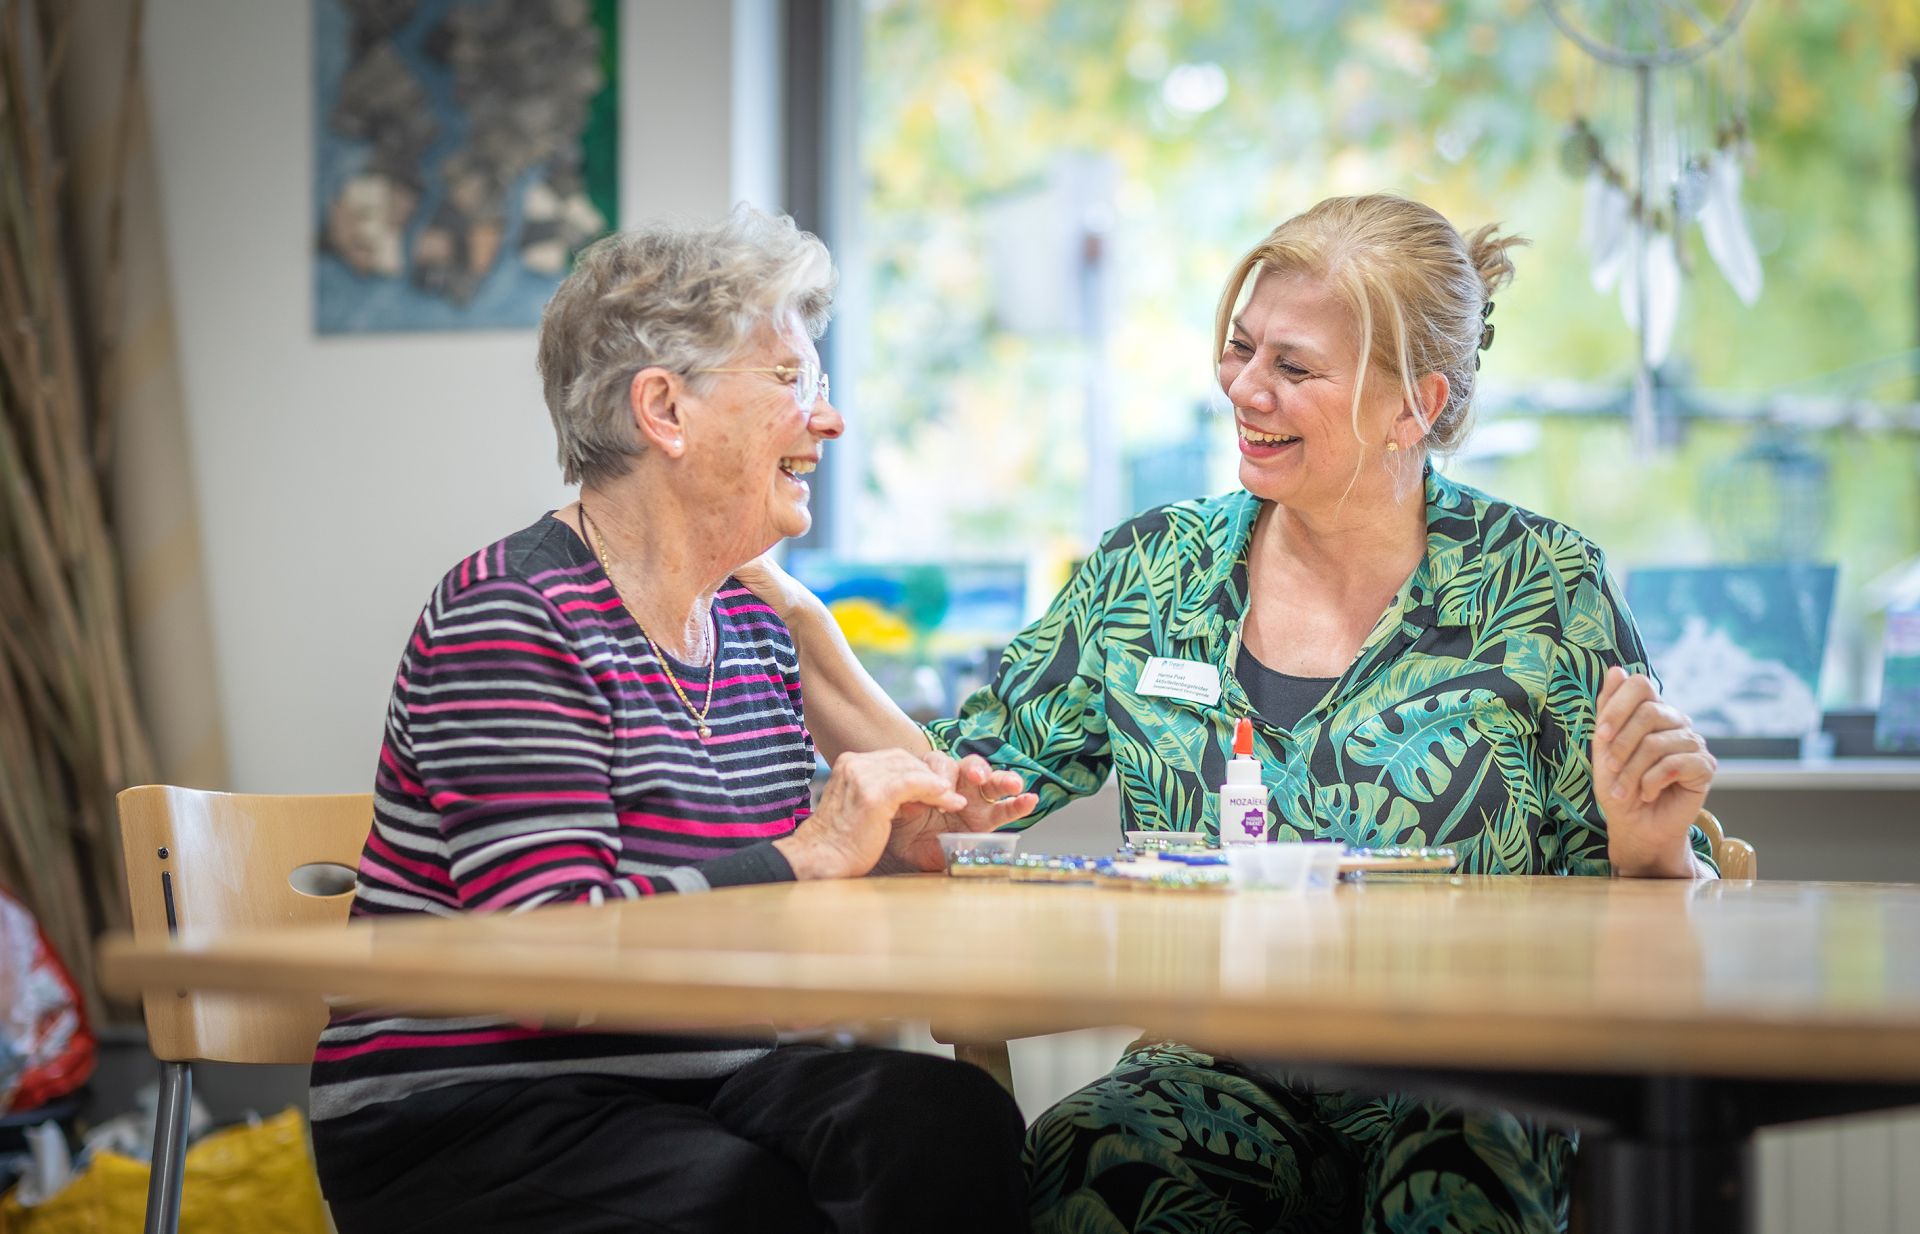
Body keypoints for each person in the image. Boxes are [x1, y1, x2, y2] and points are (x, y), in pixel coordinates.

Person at [741, 194, 1720, 1233]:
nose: (1244, 388)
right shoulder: (1153, 572)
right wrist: (797, 621)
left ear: (1414, 406)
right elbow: (948, 791)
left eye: (1293, 367)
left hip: (1472, 1072)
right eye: (1241, 348)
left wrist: (1653, 853)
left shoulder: (1543, 587)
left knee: (1453, 1194)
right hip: (1218, 1071)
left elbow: (1661, 924)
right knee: (1098, 1164)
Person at [308, 207, 1030, 1234]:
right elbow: (550, 958)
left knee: (946, 1121)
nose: (828, 420)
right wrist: (812, 852)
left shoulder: (750, 625)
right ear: (665, 410)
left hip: (704, 1081)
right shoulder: (511, 613)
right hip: (473, 1110)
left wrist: (892, 854)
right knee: (749, 1206)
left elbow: (759, 891)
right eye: (792, 380)